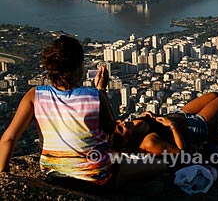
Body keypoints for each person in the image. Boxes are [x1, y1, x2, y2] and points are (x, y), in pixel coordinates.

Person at [0, 35, 163, 188]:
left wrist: (4, 178)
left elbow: (8, 138)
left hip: (54, 176)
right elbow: (112, 133)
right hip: (97, 178)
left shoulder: (34, 95)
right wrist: (101, 89)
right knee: (160, 164)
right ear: (79, 66)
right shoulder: (95, 96)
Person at [112, 92, 218, 154]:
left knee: (214, 96)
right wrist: (172, 126)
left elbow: (149, 121)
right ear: (125, 141)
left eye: (119, 122)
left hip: (181, 114)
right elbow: (181, 153)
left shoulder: (134, 124)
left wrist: (148, 116)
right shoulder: (149, 142)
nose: (123, 123)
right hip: (194, 127)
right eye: (121, 128)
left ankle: (215, 132)